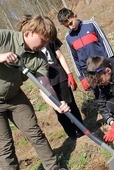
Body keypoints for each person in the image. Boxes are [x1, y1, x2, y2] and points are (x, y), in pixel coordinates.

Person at [0, 14, 69, 170]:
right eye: (43, 40)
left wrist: (57, 104)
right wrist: (1, 56)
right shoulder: (4, 37)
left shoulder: (40, 59)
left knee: (35, 133)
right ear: (30, 32)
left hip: (15, 97)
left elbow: (45, 87)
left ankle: (53, 167)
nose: (44, 46)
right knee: (4, 146)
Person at [57, 8, 114, 99]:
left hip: (103, 67)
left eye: (71, 23)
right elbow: (74, 59)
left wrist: (112, 61)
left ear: (75, 16)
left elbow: (105, 43)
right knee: (101, 99)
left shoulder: (91, 25)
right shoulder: (68, 38)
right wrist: (81, 77)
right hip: (90, 74)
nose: (71, 27)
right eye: (67, 26)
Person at [41, 38, 84, 141]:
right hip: (46, 80)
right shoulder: (29, 46)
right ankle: (71, 134)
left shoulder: (49, 37)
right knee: (59, 109)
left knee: (71, 104)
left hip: (60, 77)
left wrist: (69, 74)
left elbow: (60, 56)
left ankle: (81, 129)